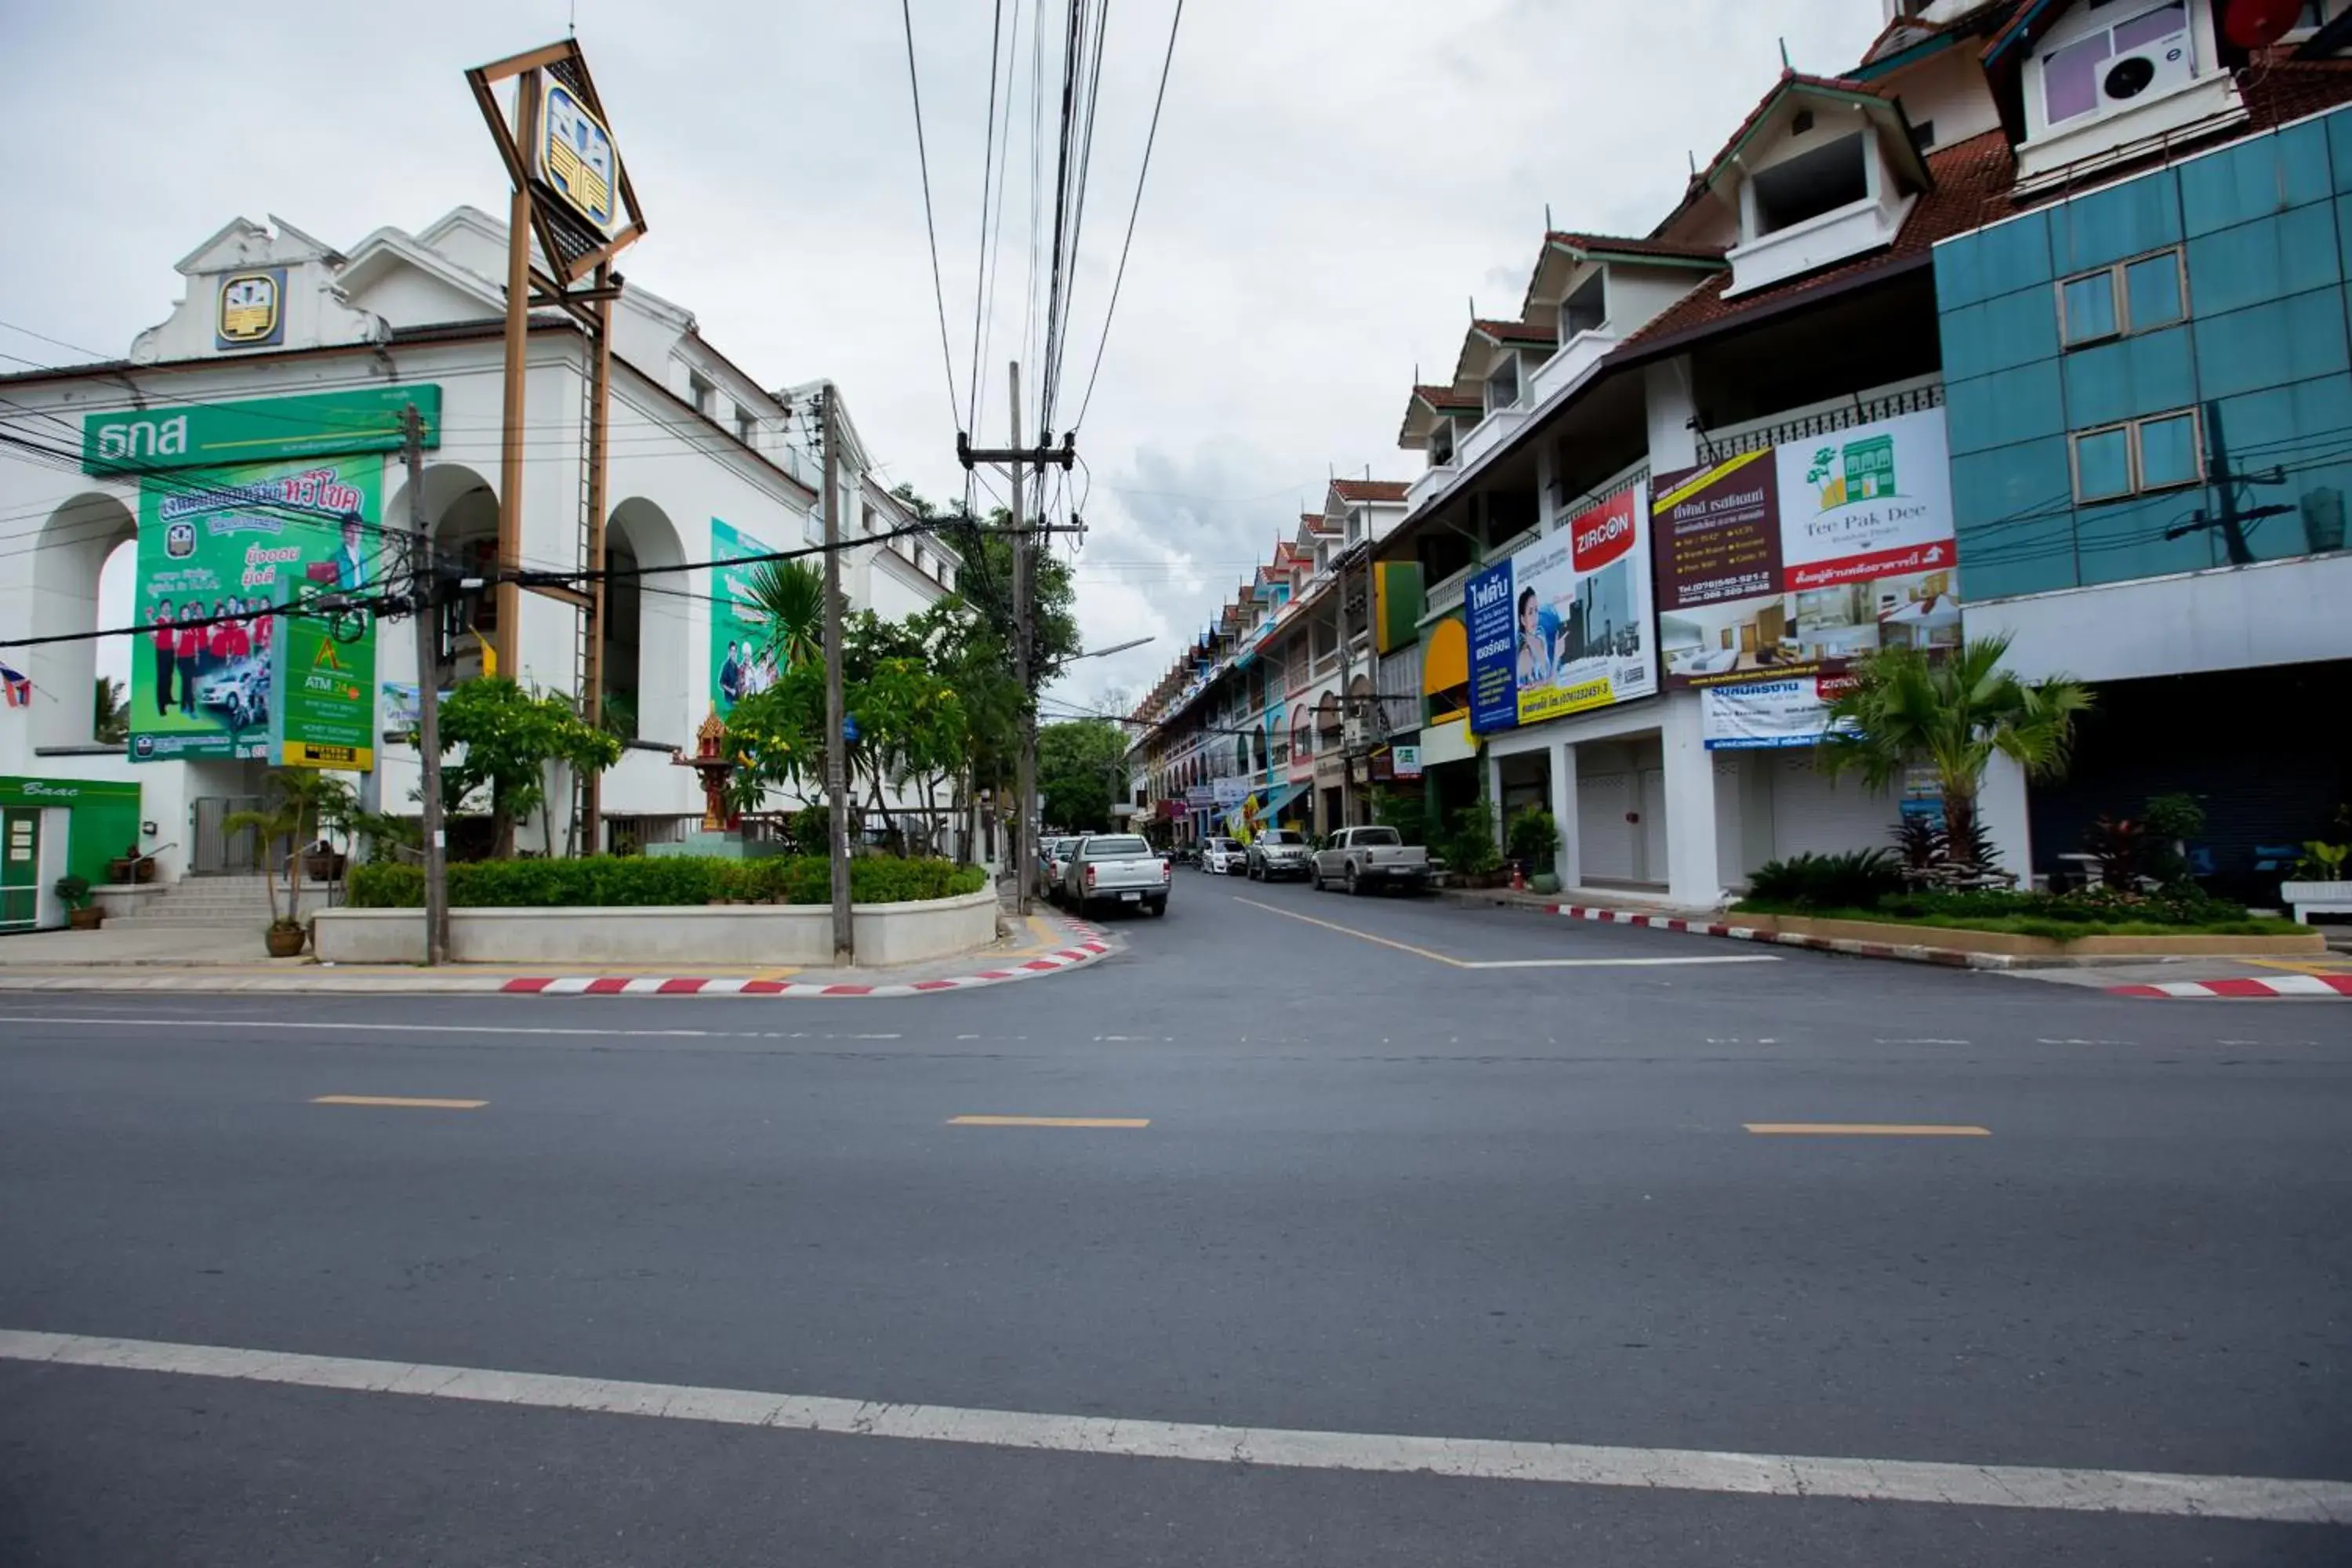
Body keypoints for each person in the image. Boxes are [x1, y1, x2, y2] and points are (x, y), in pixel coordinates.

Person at [1515, 586, 1552, 688]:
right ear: (1523, 619)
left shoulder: (1540, 638)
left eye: (1536, 610)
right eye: (1530, 612)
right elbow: (1523, 690)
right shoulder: (1525, 652)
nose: (1535, 617)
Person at [174, 600, 204, 717]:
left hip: (191, 658)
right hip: (182, 659)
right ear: (181, 615)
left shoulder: (193, 627)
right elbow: (176, 645)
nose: (186, 615)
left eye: (188, 613)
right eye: (184, 613)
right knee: (186, 682)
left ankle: (184, 706)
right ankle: (191, 709)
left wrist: (197, 656)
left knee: (188, 683)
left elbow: (196, 643)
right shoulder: (179, 627)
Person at [148, 603, 176, 716]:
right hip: (162, 652)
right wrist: (159, 647)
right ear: (161, 608)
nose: (167, 608)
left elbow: (176, 636)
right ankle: (161, 706)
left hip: (171, 651)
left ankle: (168, 698)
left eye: (169, 606)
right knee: (162, 678)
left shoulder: (173, 620)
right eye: (165, 606)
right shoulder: (157, 621)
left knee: (169, 675)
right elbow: (152, 637)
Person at [330, 516, 367, 592]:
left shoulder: (363, 558)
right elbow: (329, 588)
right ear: (342, 532)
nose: (355, 534)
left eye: (358, 529)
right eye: (350, 530)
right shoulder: (336, 558)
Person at [718, 640, 744, 706]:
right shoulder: (726, 666)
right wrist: (731, 690)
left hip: (736, 699)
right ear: (729, 652)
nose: (733, 653)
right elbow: (721, 684)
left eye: (735, 651)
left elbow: (736, 681)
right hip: (729, 700)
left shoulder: (735, 665)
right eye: (732, 651)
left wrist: (741, 681)